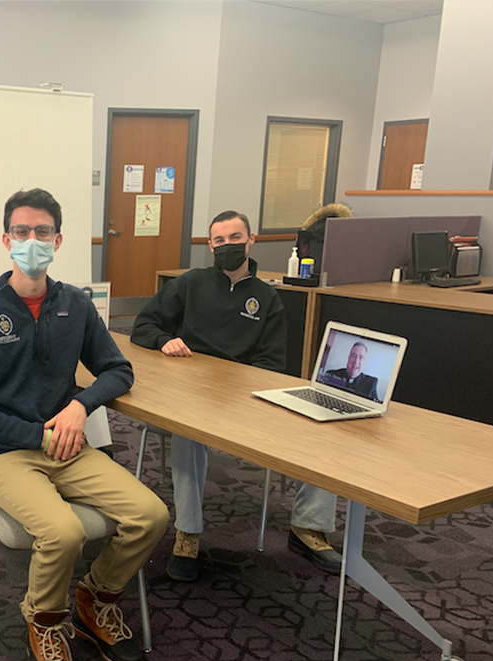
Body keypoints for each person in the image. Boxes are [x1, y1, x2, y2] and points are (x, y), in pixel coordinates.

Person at [0, 188, 169, 661]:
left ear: (58, 239)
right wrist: (38, 435)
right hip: (2, 454)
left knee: (151, 514)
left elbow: (119, 369)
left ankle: (96, 599)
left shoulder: (74, 304)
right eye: (22, 232)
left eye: (42, 232)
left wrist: (79, 406)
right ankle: (45, 623)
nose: (32, 241)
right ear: (6, 240)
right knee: (64, 532)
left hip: (66, 449)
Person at [130, 210, 342, 580]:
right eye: (219, 240)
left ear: (250, 239)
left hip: (247, 397)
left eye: (234, 238)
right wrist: (165, 341)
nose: (227, 246)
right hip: (191, 393)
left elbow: (272, 364)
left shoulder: (267, 299)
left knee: (323, 429)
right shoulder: (190, 284)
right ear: (210, 245)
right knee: (186, 432)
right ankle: (188, 532)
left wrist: (239, 385)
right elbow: (143, 326)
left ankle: (308, 527)